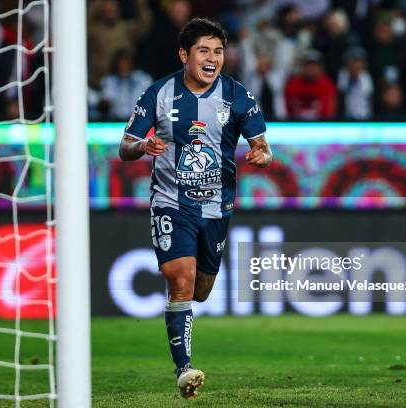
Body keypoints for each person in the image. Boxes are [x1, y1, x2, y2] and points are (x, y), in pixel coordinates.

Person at [118, 18, 272, 399]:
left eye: (218, 51)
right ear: (185, 55)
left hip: (217, 208)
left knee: (201, 290)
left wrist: (260, 154)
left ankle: (184, 330)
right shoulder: (158, 94)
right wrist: (143, 147)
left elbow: (264, 148)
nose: (212, 58)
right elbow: (125, 146)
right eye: (204, 50)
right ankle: (184, 370)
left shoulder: (238, 96)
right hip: (171, 202)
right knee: (180, 280)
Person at [284, 49, 338, 119]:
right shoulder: (293, 84)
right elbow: (287, 112)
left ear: (320, 68)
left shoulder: (327, 85)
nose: (311, 68)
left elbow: (329, 114)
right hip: (296, 126)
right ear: (303, 67)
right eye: (308, 65)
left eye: (314, 65)